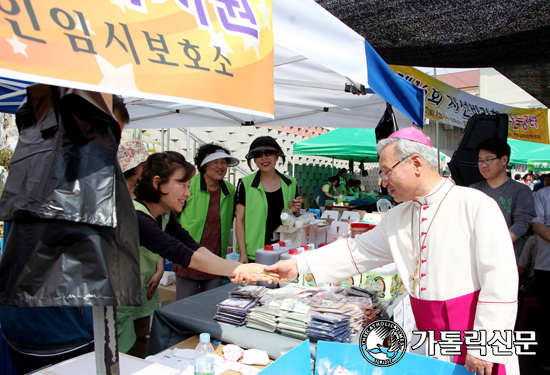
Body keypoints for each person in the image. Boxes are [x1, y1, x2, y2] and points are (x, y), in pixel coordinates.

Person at [266, 127, 519, 375]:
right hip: (431, 338)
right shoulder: (397, 216)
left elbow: (501, 280)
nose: (383, 182)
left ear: (416, 163)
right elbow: (356, 251)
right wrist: (297, 265)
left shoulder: (476, 205)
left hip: (474, 333)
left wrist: (486, 344)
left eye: (387, 172)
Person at [0, 94, 130, 375]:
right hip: (59, 332)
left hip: (32, 324)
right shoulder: (68, 179)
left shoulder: (35, 166)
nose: (111, 149)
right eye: (106, 135)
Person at [116, 151, 273, 357]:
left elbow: (192, 245)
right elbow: (184, 254)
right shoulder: (135, 216)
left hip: (141, 296)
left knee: (138, 348)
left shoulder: (164, 215)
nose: (188, 193)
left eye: (188, 186)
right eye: (182, 185)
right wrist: (238, 268)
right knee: (120, 355)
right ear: (157, 183)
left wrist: (237, 268)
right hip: (118, 303)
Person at [173, 144, 239, 300]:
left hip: (214, 260)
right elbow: (172, 218)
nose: (220, 166)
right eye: (215, 162)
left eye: (224, 162)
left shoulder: (229, 190)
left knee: (210, 306)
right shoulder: (189, 186)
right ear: (204, 164)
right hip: (188, 257)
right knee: (184, 307)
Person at [235, 136, 302, 263]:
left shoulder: (290, 183)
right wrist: (243, 253)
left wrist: (295, 210)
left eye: (268, 153)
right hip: (255, 252)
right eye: (258, 154)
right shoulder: (245, 184)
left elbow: (295, 219)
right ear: (254, 159)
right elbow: (240, 221)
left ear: (277, 156)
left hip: (285, 251)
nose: (264, 158)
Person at [470, 138, 535, 261]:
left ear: (504, 160)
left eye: (488, 160)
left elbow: (522, 223)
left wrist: (494, 247)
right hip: (476, 258)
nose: (483, 165)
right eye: (480, 161)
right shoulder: (473, 190)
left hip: (507, 258)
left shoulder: (521, 191)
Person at [531, 185, 550, 371]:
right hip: (546, 266)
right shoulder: (543, 195)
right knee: (547, 316)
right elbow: (537, 225)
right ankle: (545, 359)